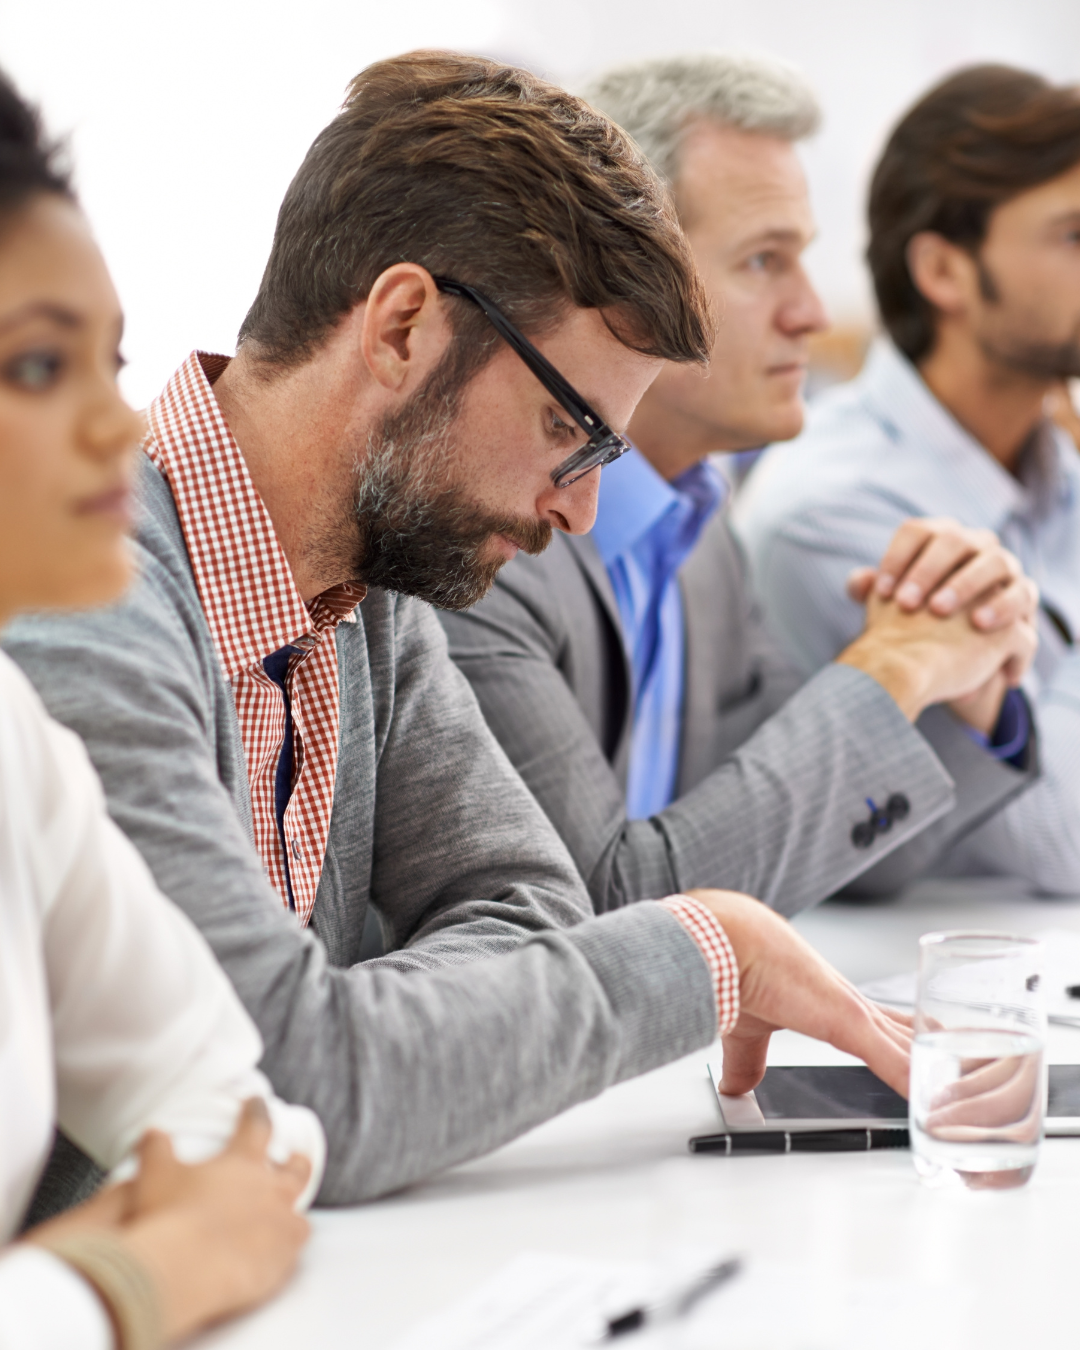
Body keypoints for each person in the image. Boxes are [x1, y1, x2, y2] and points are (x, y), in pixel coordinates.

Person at [7, 51, 916, 1215]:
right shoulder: (78, 606)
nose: (581, 510)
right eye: (569, 429)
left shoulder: (371, 589)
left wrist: (368, 1031)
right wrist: (706, 955)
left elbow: (534, 905)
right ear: (402, 329)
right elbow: (284, 1085)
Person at [438, 52, 1040, 917]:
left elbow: (836, 848)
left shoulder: (702, 532)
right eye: (764, 261)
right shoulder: (490, 545)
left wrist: (971, 687)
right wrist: (891, 668)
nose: (812, 313)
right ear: (624, 282)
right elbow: (600, 905)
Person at [0, 72, 326, 1347]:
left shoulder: (14, 734)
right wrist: (117, 1282)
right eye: (36, 365)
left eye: (111, 361)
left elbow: (246, 1121)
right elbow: (203, 1217)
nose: (118, 425)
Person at [735, 63, 1080, 894]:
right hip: (917, 959)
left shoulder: (1056, 468)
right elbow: (1064, 835)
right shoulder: (834, 508)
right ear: (943, 272)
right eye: (1075, 235)